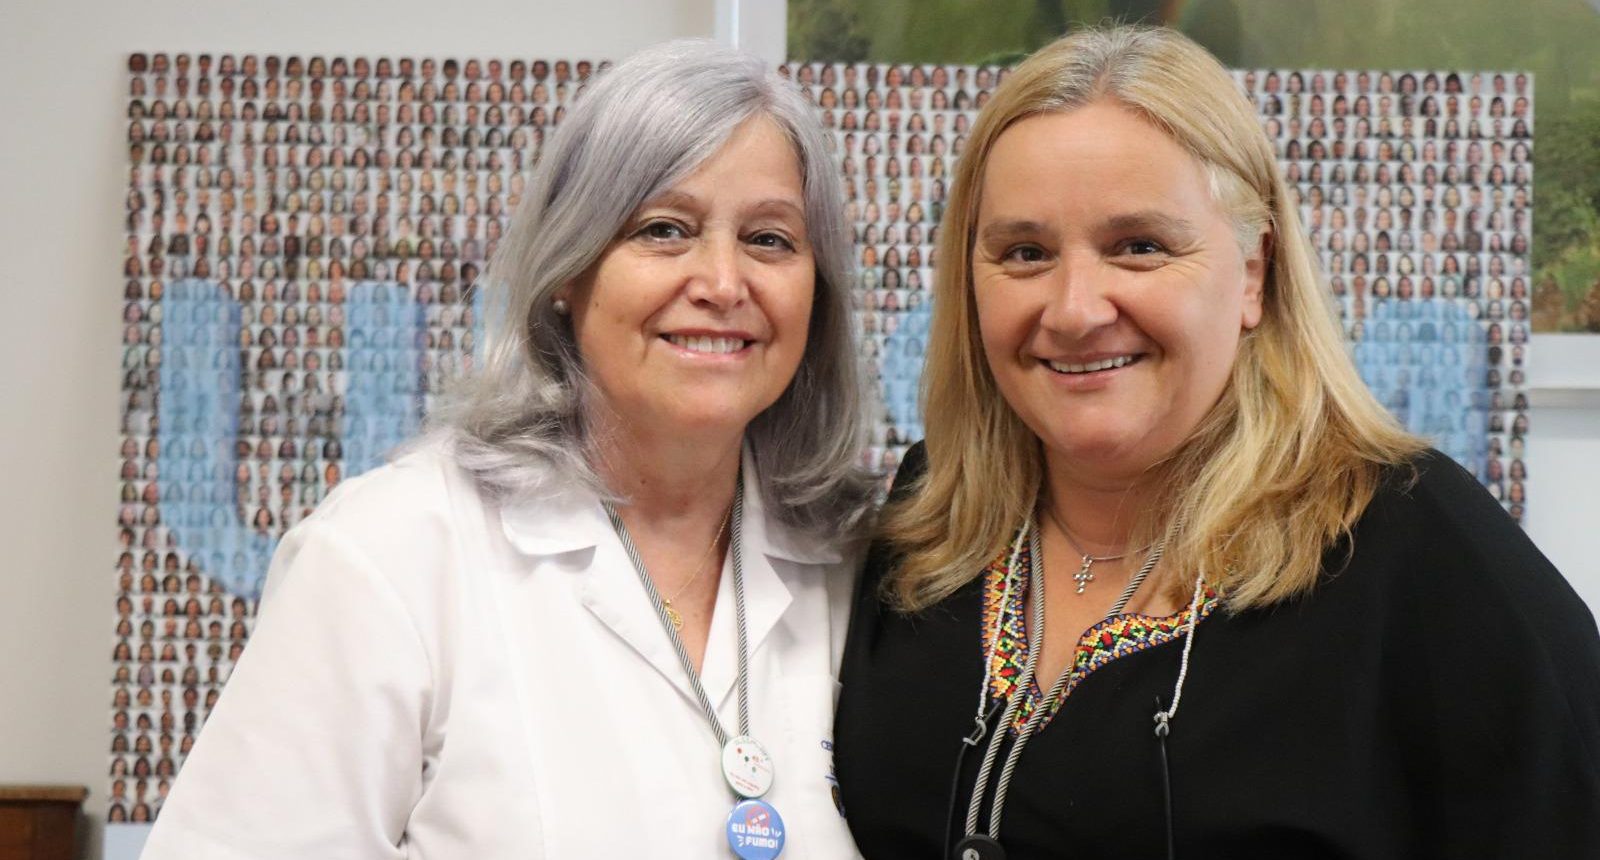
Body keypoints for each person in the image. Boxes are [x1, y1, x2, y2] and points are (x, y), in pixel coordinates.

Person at [834, 26, 1600, 860]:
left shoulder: (1414, 546)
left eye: (1139, 247)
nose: (1075, 309)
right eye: (1025, 253)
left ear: (1253, 272)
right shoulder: (927, 523)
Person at [143, 40, 873, 859]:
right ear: (567, 268)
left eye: (770, 239)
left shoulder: (859, 573)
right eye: (665, 229)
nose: (723, 283)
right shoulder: (391, 555)